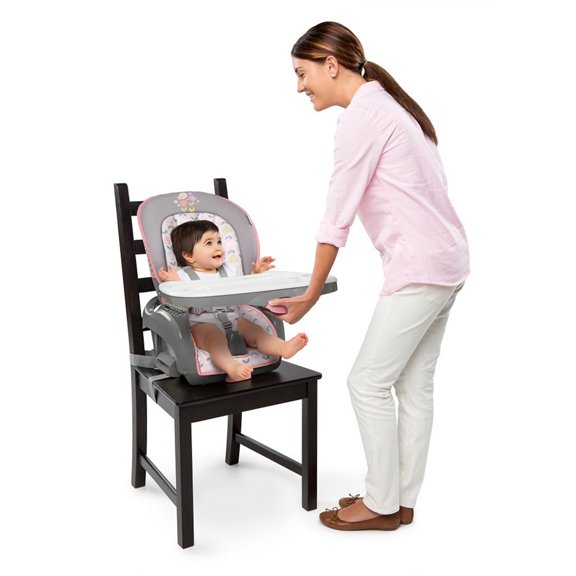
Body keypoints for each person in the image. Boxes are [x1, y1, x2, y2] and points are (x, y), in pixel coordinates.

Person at [268, 21, 470, 531]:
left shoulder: (363, 116)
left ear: (331, 65)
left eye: (302, 73)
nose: (300, 87)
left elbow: (337, 214)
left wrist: (311, 292)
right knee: (413, 385)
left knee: (367, 383)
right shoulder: (391, 107)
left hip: (421, 268)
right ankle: (400, 501)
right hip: (447, 262)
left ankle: (380, 505)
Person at [159, 220, 309, 382]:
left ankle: (282, 347)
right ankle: (232, 368)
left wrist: (256, 275)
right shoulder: (182, 277)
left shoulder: (229, 270)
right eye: (209, 243)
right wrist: (175, 285)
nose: (218, 247)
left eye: (219, 241)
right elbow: (179, 307)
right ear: (189, 256)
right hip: (202, 325)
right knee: (214, 340)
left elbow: (244, 288)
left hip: (234, 320)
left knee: (255, 331)